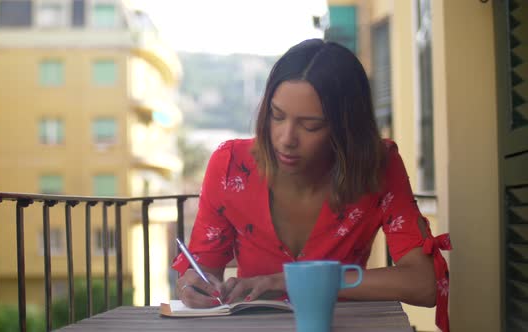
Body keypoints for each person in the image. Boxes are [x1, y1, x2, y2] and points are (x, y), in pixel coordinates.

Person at [172, 39, 451, 332]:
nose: (286, 138)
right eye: (277, 116)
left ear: (346, 128)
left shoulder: (378, 165)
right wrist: (194, 286)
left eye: (311, 125)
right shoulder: (230, 166)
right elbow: (204, 275)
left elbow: (423, 284)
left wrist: (286, 280)